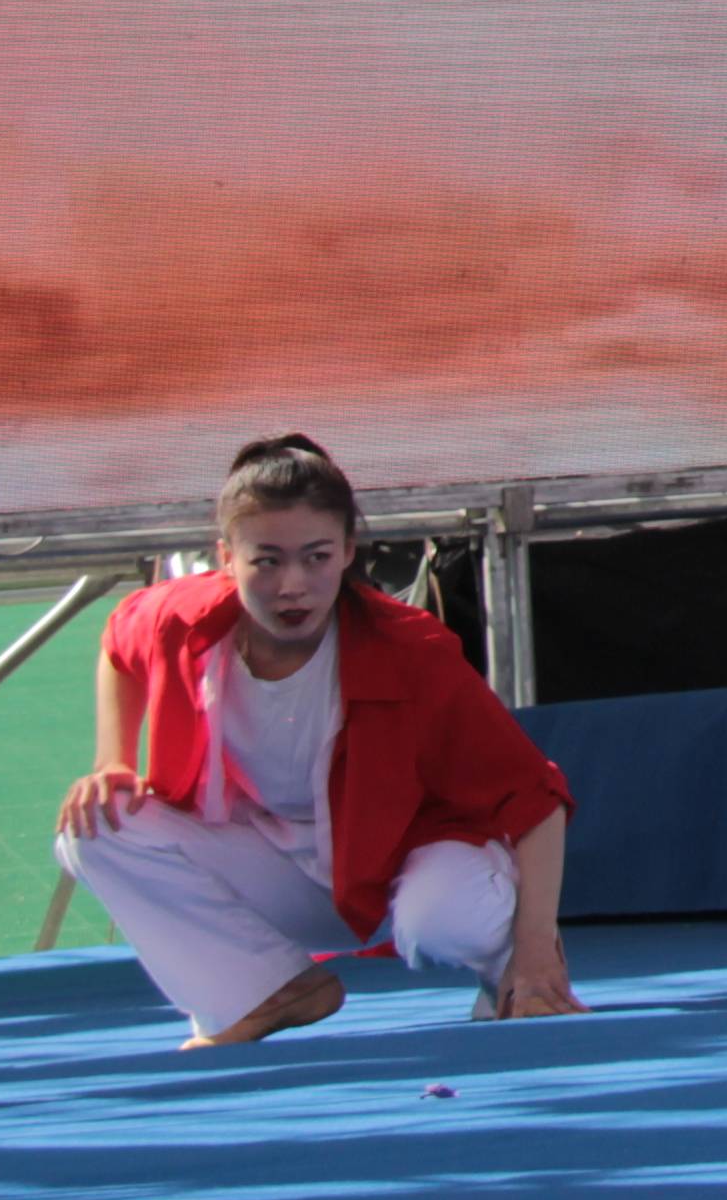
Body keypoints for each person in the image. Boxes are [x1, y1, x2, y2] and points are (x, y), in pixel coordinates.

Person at [55, 435, 580, 1048]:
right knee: (97, 822)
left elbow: (538, 799)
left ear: (348, 552)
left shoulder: (410, 649)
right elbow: (119, 646)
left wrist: (539, 946)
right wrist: (112, 759)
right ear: (226, 557)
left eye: (316, 557)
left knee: (443, 921)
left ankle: (513, 977)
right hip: (289, 875)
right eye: (267, 560)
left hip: (403, 870)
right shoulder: (180, 618)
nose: (292, 585)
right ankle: (261, 992)